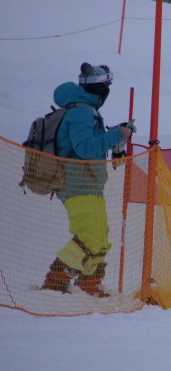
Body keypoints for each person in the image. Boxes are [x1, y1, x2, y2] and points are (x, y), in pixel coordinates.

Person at [41, 63, 134, 297]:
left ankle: (89, 283)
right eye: (106, 85)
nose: (107, 89)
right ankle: (56, 281)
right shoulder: (81, 111)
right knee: (89, 237)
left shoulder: (87, 110)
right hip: (77, 183)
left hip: (89, 184)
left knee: (100, 238)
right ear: (98, 88)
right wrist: (117, 135)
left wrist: (115, 137)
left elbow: (88, 144)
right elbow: (84, 148)